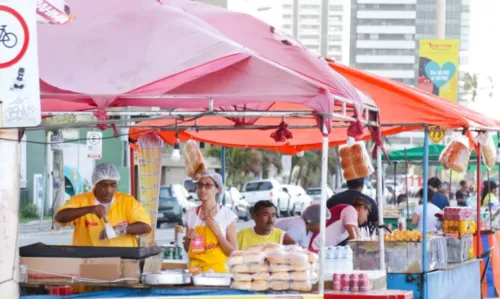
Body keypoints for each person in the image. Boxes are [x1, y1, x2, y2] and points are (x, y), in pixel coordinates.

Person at [55, 163, 152, 247]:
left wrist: (118, 229)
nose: (109, 190)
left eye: (113, 185)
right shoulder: (80, 200)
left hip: (123, 260)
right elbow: (60, 217)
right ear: (95, 183)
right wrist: (90, 209)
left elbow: (146, 227)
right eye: (104, 185)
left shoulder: (127, 201)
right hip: (88, 262)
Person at [183, 172, 237, 273]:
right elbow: (187, 249)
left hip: (219, 275)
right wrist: (188, 238)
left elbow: (232, 252)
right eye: (200, 185)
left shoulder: (227, 216)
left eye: (208, 185)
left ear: (218, 189)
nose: (203, 189)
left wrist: (217, 233)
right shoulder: (190, 216)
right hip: (195, 273)